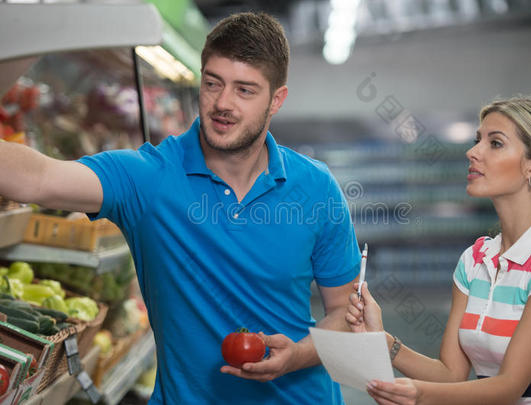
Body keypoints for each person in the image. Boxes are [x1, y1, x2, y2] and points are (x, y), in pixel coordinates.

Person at [0, 12, 361, 404]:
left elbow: (345, 311)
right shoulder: (149, 178)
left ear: (277, 99)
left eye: (244, 90)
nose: (223, 103)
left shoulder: (316, 186)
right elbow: (35, 179)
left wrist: (299, 355)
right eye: (212, 84)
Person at [346, 95, 531, 405]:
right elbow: (451, 374)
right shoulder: (475, 261)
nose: (472, 152)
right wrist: (380, 341)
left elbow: (509, 387)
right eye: (477, 139)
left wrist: (419, 396)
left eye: (495, 143)